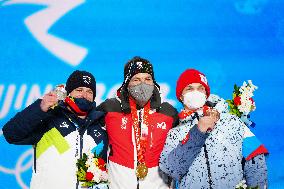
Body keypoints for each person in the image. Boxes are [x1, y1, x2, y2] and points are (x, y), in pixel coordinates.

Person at [159, 69, 269, 189]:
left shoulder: (232, 121)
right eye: (189, 88)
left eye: (200, 88)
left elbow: (255, 158)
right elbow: (171, 170)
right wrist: (199, 131)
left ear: (206, 93)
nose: (196, 92)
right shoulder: (174, 133)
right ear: (181, 96)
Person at [2, 70, 108, 189]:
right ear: (68, 93)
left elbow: (104, 171)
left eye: (89, 91)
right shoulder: (49, 117)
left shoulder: (100, 128)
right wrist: (40, 108)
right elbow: (10, 133)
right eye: (79, 90)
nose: (84, 95)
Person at [97, 56, 179, 189]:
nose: (143, 84)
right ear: (127, 83)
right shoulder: (109, 108)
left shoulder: (168, 112)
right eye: (136, 79)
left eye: (148, 79)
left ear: (154, 82)